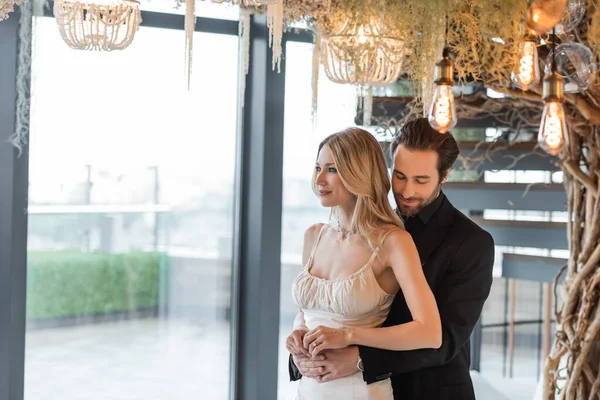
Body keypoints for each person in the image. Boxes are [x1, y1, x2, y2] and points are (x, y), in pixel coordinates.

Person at [288, 118, 496, 400]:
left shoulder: (470, 243)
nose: (407, 191)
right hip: (326, 383)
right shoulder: (349, 229)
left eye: (421, 180)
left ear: (444, 175)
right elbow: (317, 309)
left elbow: (444, 340)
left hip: (426, 391)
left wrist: (359, 359)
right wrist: (302, 349)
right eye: (399, 176)